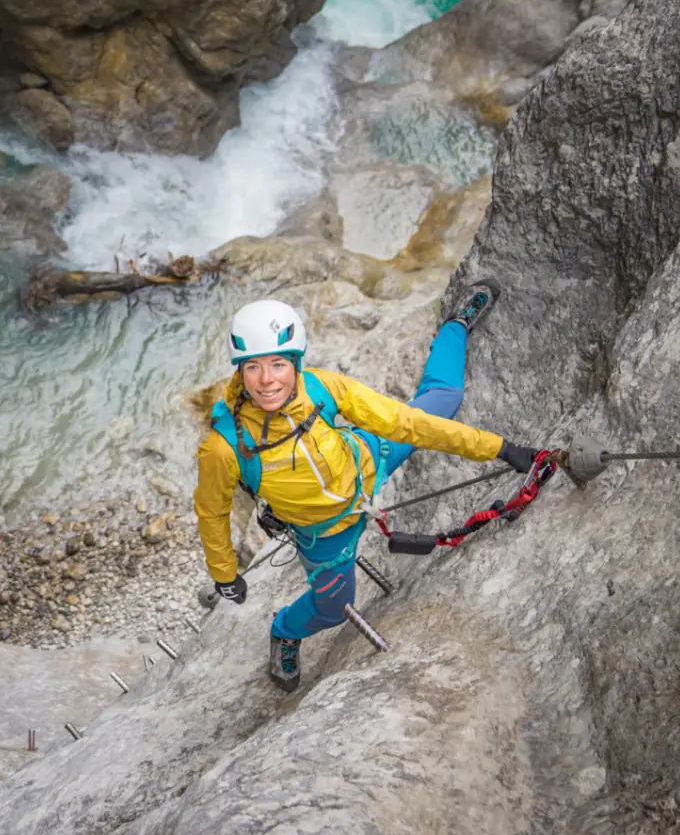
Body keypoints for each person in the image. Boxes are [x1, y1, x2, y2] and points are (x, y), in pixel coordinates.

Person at [192, 283, 541, 691]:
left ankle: (456, 325)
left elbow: (403, 423)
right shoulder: (223, 447)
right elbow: (212, 512)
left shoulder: (322, 387)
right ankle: (285, 630)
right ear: (239, 371)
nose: (266, 380)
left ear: (295, 361)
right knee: (334, 610)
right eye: (253, 367)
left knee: (444, 398)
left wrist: (500, 448)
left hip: (367, 462)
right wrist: (224, 574)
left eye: (277, 364)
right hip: (324, 535)